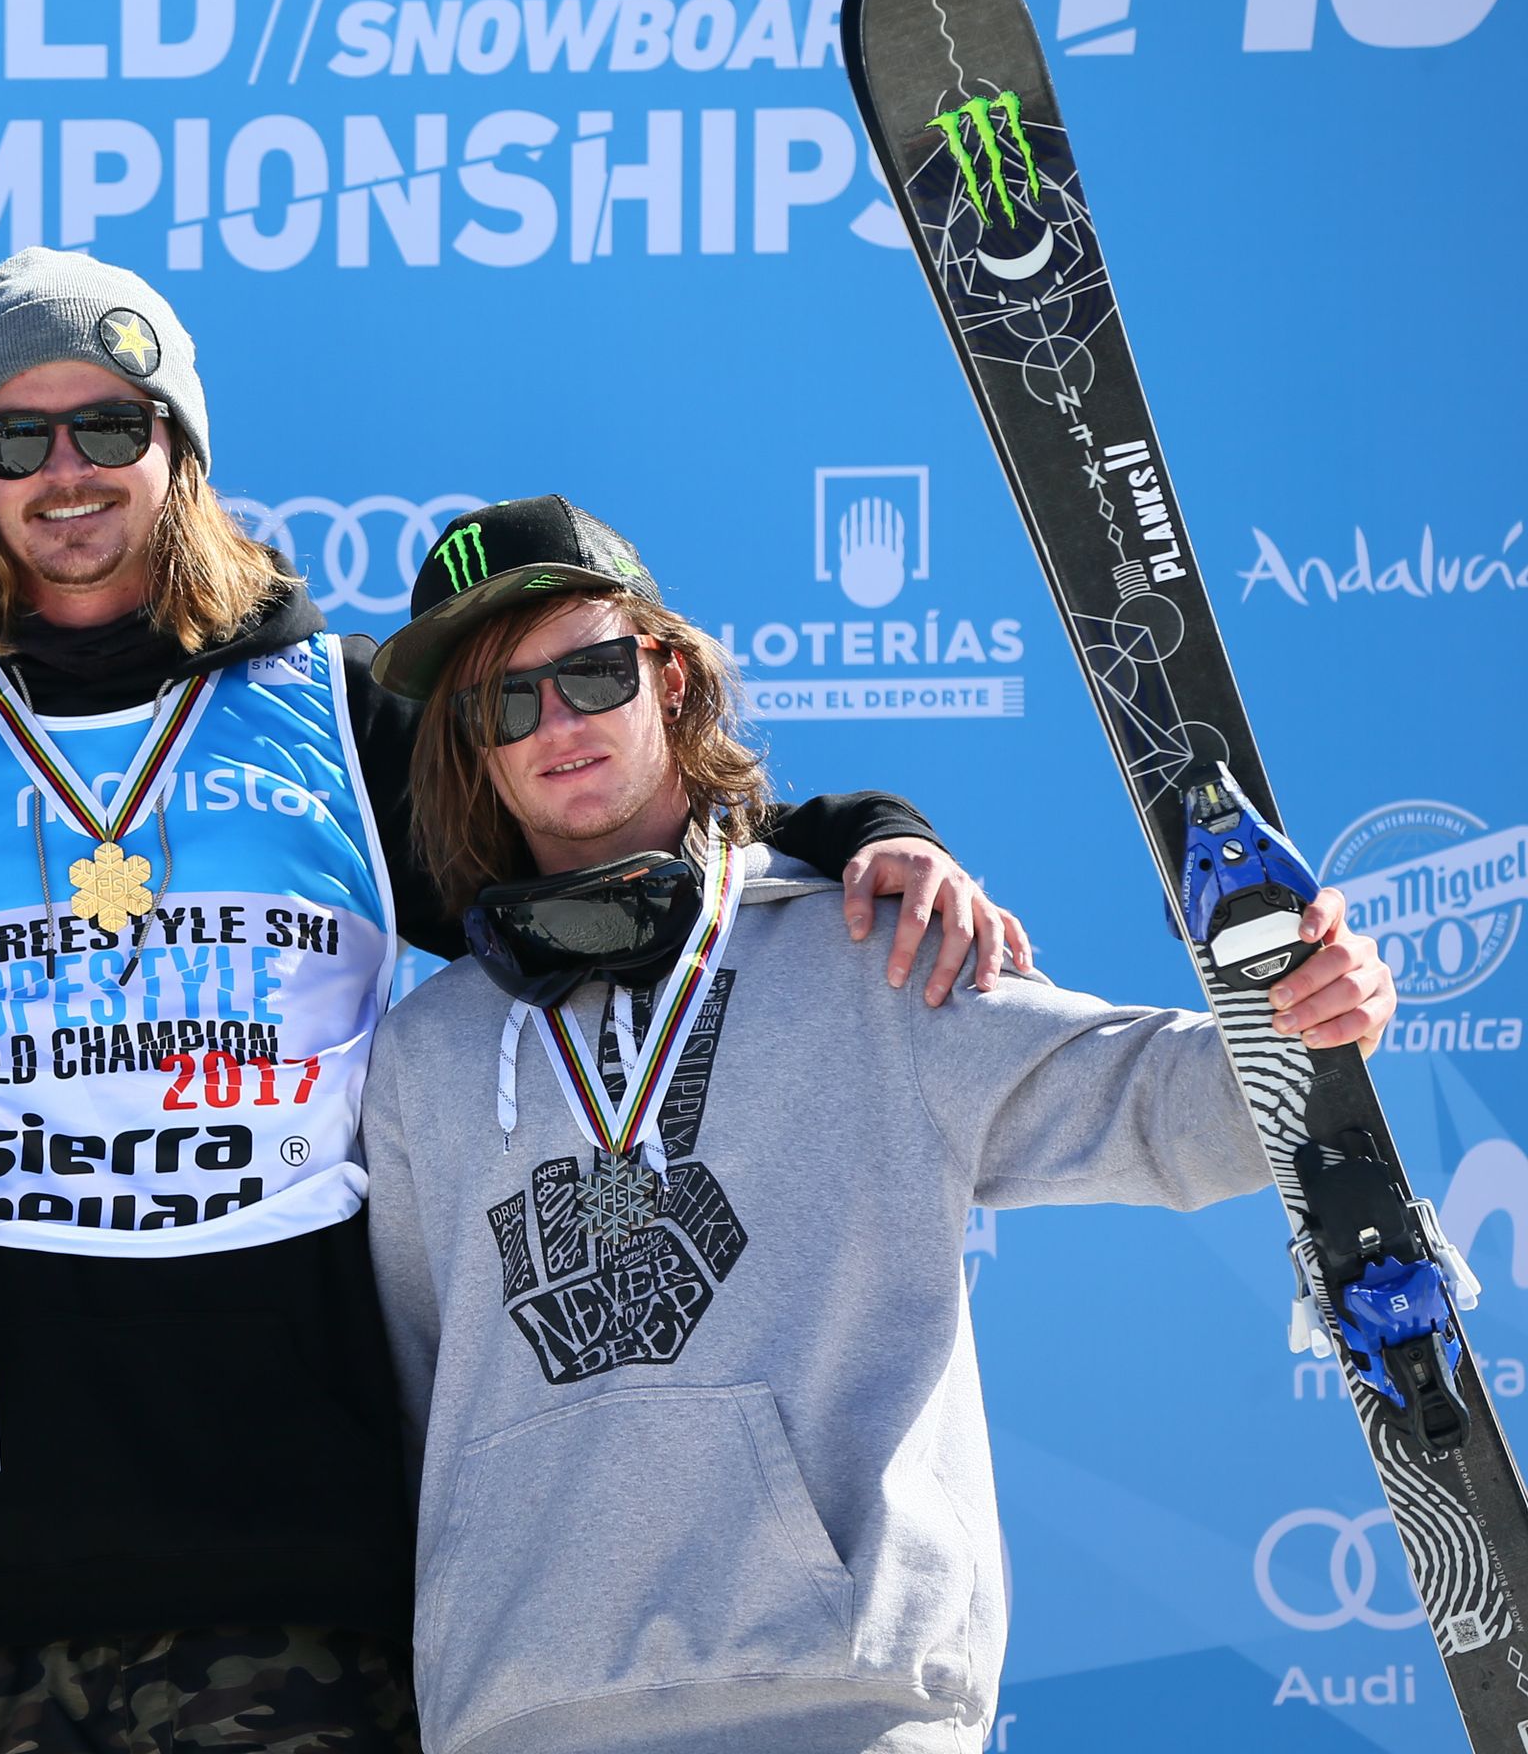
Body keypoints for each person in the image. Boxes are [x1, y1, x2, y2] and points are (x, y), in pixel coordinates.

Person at [0, 249, 1034, 1751]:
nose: (67, 470)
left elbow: (606, 820)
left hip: (293, 1572)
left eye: (112, 424)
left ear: (183, 448)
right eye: (16, 437)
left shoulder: (333, 714)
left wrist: (867, 828)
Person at [357, 496, 1396, 1754]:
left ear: (669, 676)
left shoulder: (873, 955)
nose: (557, 725)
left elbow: (1168, 1109)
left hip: (841, 1712)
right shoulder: (427, 1054)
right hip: (522, 1721)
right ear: (470, 747)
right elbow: (416, 1410)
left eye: (589, 672)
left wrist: (1301, 1014)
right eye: (502, 704)